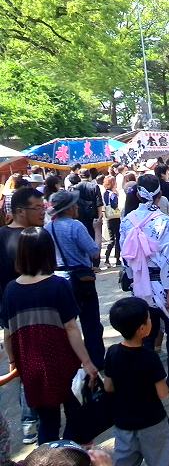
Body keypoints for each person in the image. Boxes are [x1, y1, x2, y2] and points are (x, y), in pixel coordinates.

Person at [0, 227, 98, 444]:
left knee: (47, 421)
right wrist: (86, 361)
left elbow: (8, 334)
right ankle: (71, 451)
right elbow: (71, 328)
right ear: (48, 252)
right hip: (63, 364)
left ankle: (49, 455)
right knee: (75, 413)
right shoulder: (58, 285)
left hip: (31, 366)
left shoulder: (11, 290)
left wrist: (14, 361)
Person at [120, 174, 169, 392]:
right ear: (160, 194)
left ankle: (151, 380)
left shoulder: (127, 221)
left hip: (140, 285)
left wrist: (133, 279)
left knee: (147, 334)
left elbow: (125, 257)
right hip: (163, 286)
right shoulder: (165, 223)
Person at [104, 298, 169, 466]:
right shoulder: (150, 357)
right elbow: (162, 393)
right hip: (152, 422)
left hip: (123, 423)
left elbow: (108, 386)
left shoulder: (112, 352)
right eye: (149, 318)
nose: (151, 320)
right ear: (142, 329)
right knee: (162, 460)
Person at [0, 187, 45, 444]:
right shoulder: (5, 237)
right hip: (16, 313)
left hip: (38, 310)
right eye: (37, 208)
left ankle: (38, 414)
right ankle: (30, 419)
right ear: (19, 211)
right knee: (24, 364)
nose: (42, 212)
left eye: (43, 207)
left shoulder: (39, 234)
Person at [45, 190, 105, 371]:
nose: (77, 207)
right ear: (69, 208)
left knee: (67, 324)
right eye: (74, 204)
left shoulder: (48, 228)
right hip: (81, 279)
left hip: (59, 279)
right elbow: (94, 252)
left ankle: (71, 363)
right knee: (91, 323)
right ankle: (96, 362)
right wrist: (97, 229)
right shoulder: (75, 226)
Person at [103, 176, 121, 267]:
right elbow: (114, 205)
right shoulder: (113, 194)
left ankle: (107, 258)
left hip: (108, 217)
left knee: (111, 239)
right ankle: (117, 259)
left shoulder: (105, 193)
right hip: (115, 217)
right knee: (117, 238)